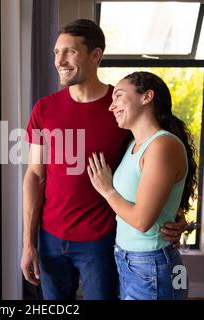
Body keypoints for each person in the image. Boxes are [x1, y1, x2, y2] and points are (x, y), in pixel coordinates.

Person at [21, 19, 186, 300]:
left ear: (96, 55)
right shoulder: (44, 109)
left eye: (70, 52)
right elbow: (35, 175)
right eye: (56, 53)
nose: (59, 61)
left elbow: (155, 159)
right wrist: (28, 241)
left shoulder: (122, 108)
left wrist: (173, 213)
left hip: (101, 240)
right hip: (49, 238)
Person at [87, 71, 196, 300]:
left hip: (152, 265)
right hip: (132, 262)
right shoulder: (134, 145)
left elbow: (141, 221)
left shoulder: (162, 145)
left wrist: (107, 190)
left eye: (118, 96)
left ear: (146, 97)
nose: (111, 106)